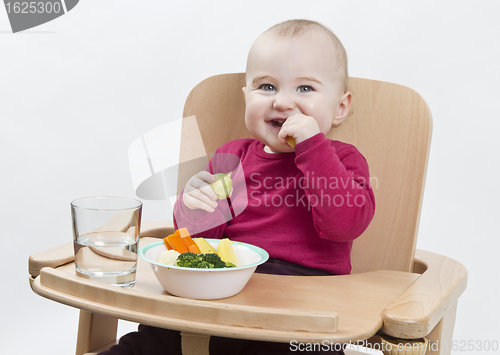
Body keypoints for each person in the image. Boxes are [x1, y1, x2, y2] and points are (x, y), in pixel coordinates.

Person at [100, 19, 375, 355]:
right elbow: (199, 242)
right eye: (267, 87)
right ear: (247, 97)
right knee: (154, 337)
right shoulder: (233, 157)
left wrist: (313, 147)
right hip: (225, 292)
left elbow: (344, 225)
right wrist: (194, 205)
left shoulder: (342, 161)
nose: (283, 102)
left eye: (305, 89)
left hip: (303, 310)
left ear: (340, 107)